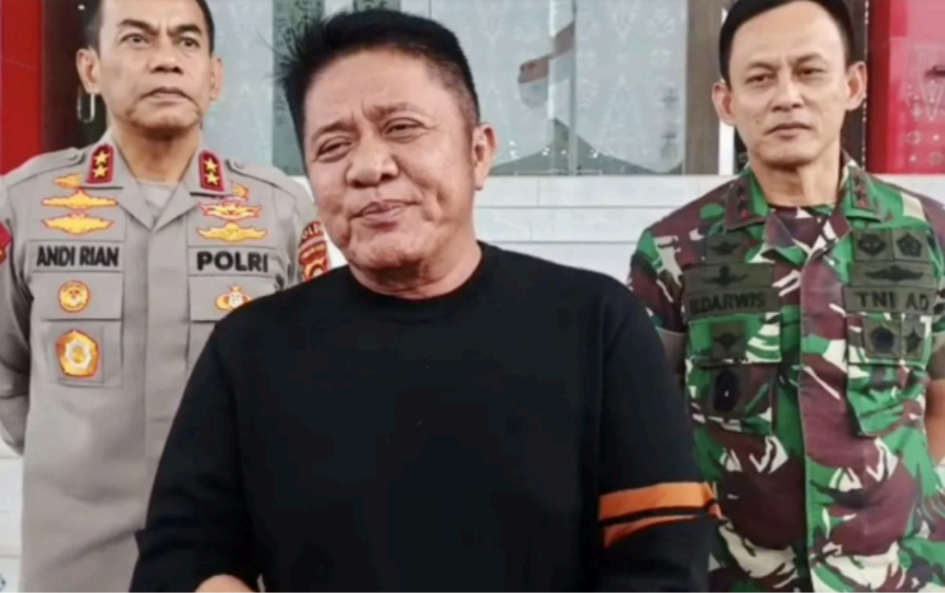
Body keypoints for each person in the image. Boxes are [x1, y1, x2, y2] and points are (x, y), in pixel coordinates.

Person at [129, 8, 718, 592]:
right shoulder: (251, 350)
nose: (368, 167)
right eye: (333, 145)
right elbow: (179, 558)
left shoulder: (596, 325)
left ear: (478, 152)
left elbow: (663, 560)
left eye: (403, 128)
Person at [0, 0, 330, 590]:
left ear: (214, 77)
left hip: (225, 565)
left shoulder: (277, 209)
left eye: (186, 42)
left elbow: (312, 377)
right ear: (89, 69)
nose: (166, 61)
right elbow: (6, 369)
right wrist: (72, 453)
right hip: (75, 564)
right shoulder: (25, 205)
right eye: (137, 39)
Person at [628, 0, 945, 590]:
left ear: (853, 85)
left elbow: (941, 397)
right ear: (726, 101)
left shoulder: (927, 233)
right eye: (760, 77)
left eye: (809, 71)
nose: (787, 97)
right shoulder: (676, 248)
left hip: (900, 573)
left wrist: (885, 503)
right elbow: (647, 419)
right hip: (738, 576)